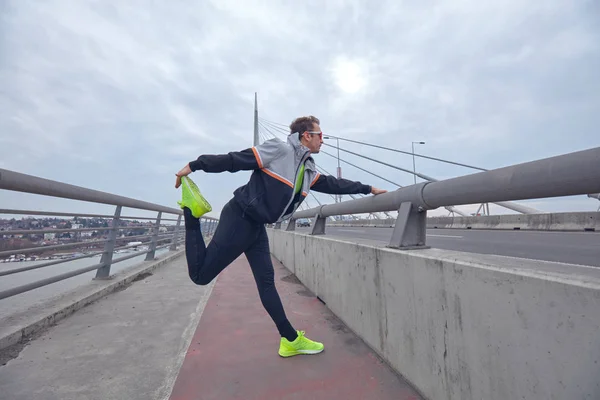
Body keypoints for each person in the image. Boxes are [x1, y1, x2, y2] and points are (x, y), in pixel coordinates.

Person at [174, 115, 387, 357]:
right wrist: (196, 164)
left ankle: (290, 340)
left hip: (257, 227)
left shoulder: (307, 170)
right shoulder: (280, 149)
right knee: (201, 276)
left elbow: (333, 184)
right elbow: (236, 160)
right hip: (240, 218)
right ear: (307, 136)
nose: (323, 141)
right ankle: (191, 213)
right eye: (321, 136)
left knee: (267, 283)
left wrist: (367, 189)